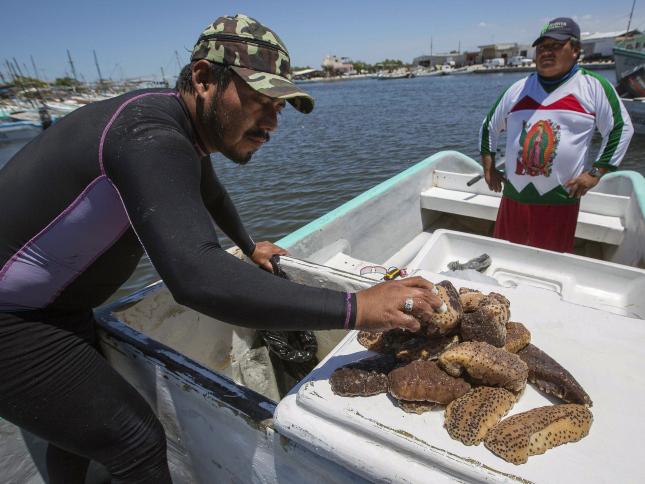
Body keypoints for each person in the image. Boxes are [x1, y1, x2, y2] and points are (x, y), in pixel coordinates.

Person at [0, 14, 443, 483]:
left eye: (279, 108)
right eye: (259, 102)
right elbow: (195, 278)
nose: (271, 124)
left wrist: (249, 246)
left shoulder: (169, 122)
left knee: (72, 436)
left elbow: (210, 193)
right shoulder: (151, 139)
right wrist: (357, 307)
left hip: (55, 307)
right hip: (15, 319)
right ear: (203, 78)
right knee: (135, 441)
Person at [479, 17, 634, 252]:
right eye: (542, 47)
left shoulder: (593, 86)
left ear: (576, 50)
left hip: (559, 200)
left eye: (556, 46)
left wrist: (596, 172)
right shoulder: (517, 89)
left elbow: (620, 129)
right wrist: (489, 168)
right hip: (514, 197)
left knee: (549, 262)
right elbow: (489, 126)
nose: (546, 52)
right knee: (504, 256)